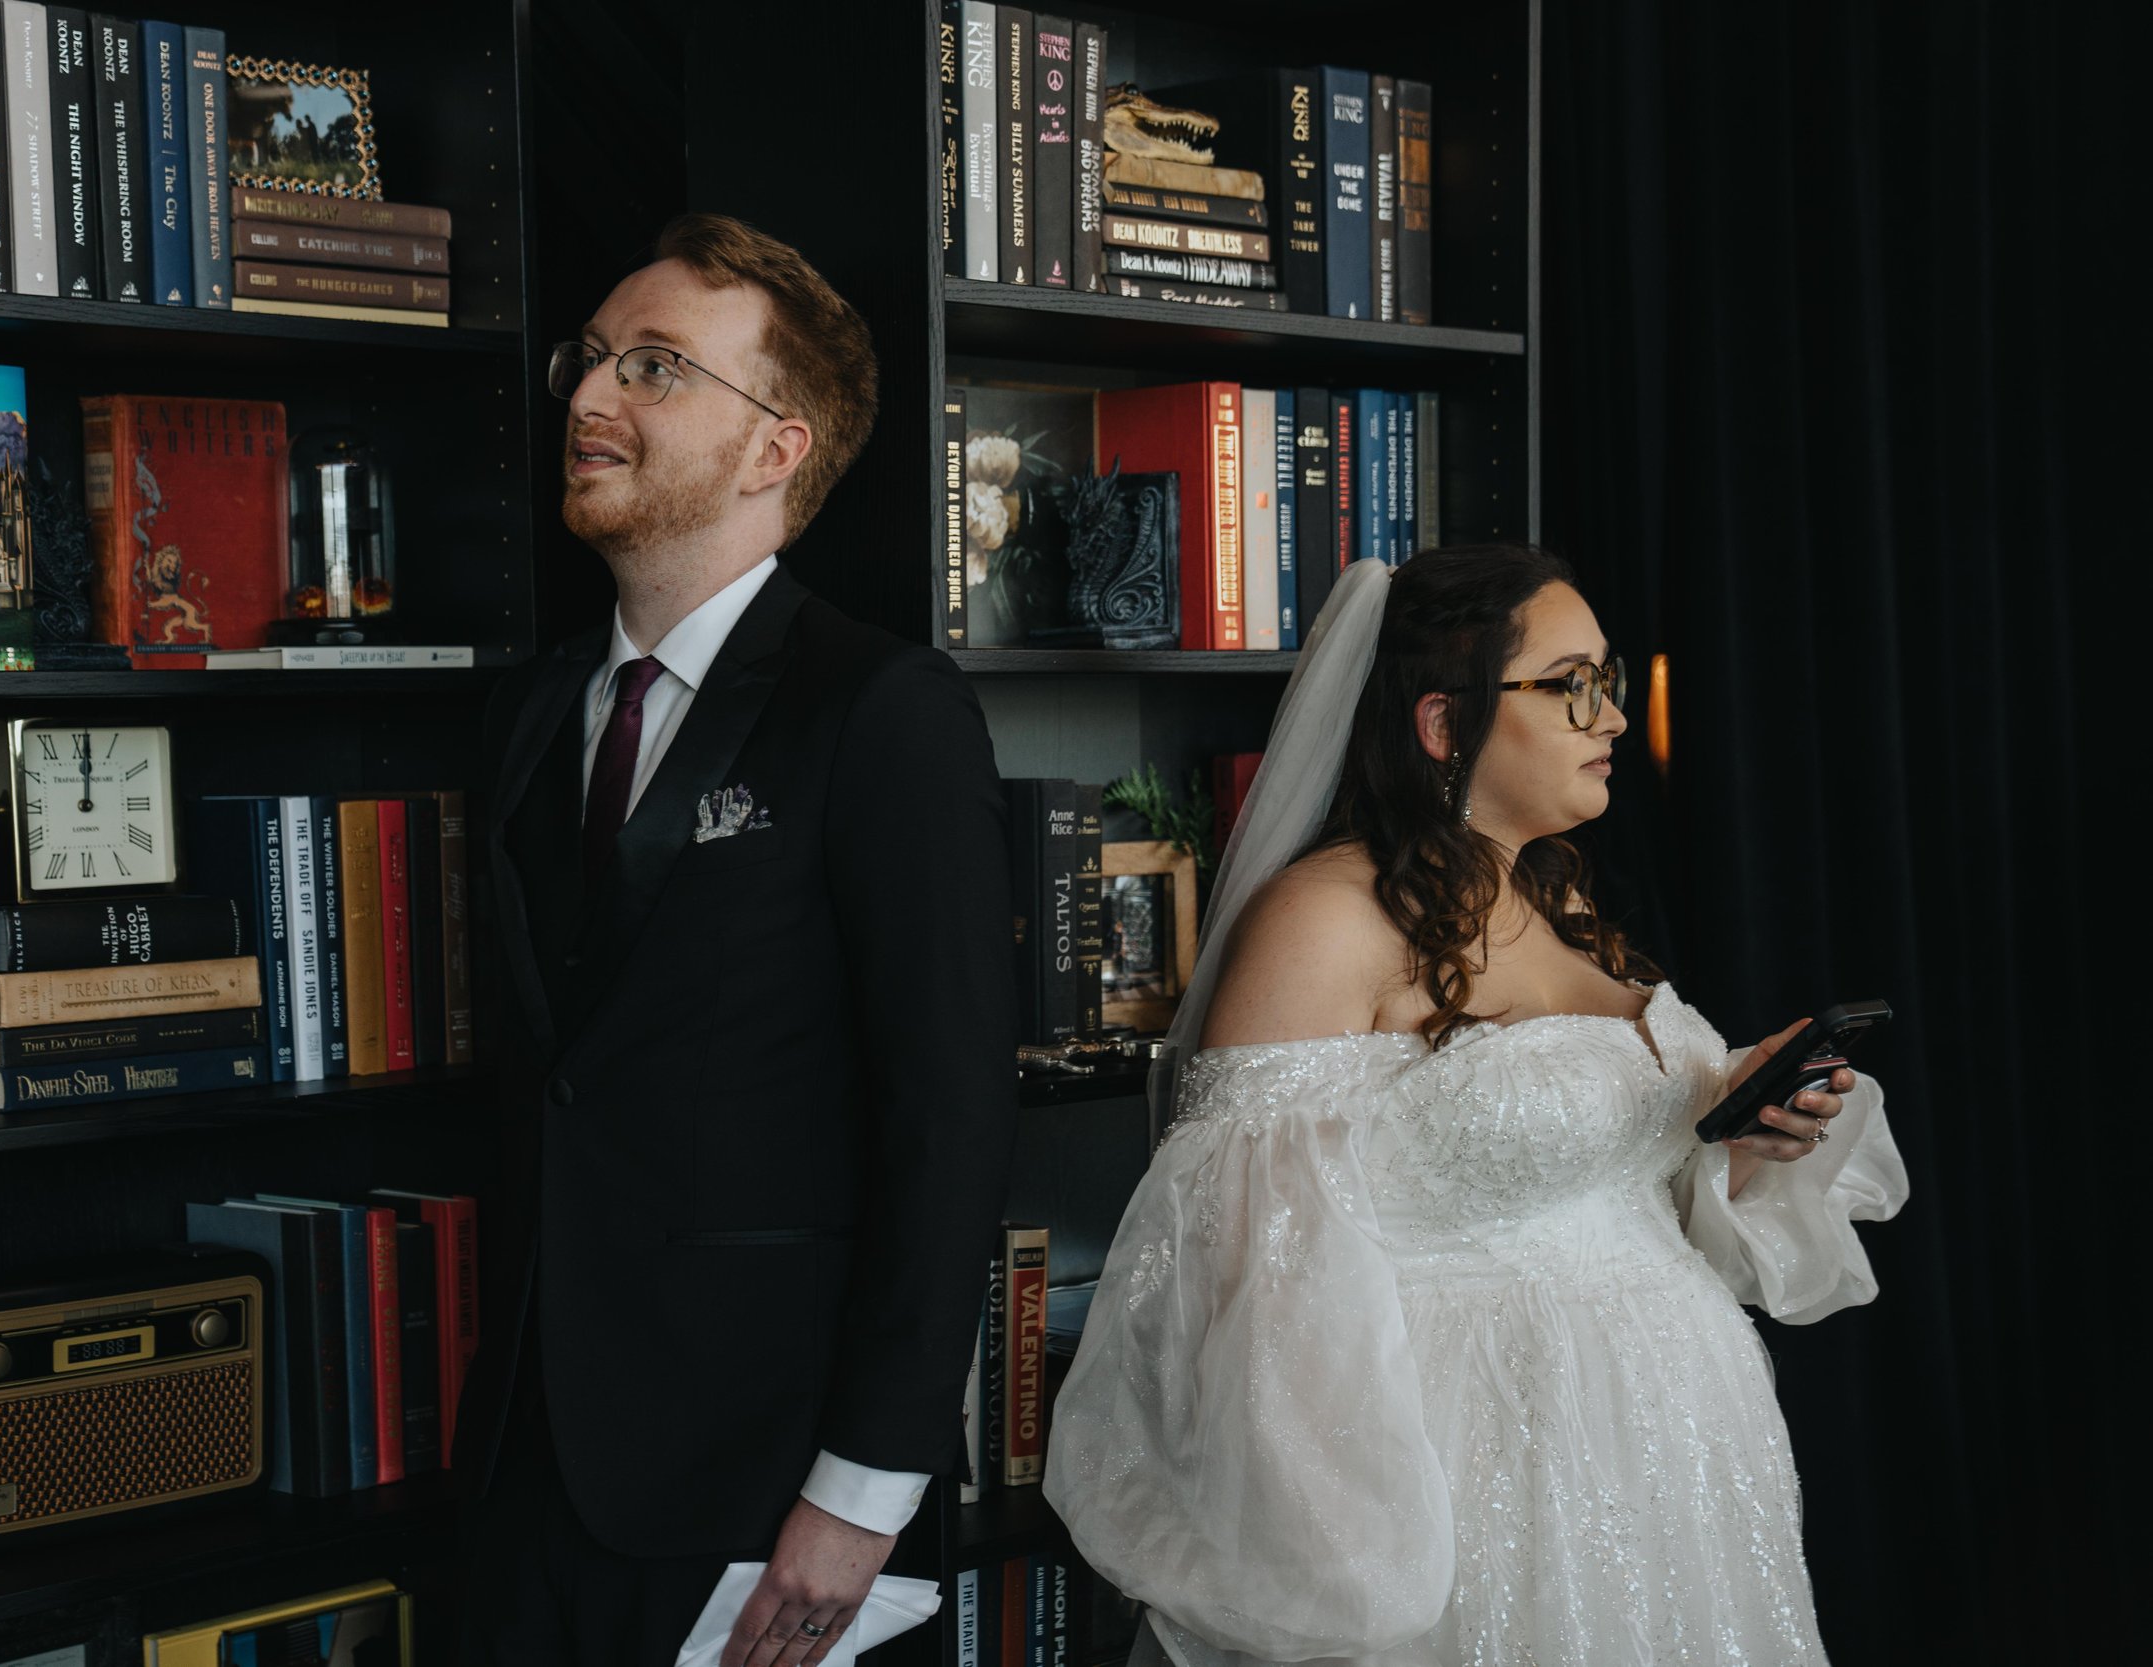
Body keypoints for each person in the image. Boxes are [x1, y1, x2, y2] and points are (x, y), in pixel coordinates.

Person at [1045, 547, 1908, 1666]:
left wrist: (1741, 1135)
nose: (1610, 715)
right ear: (1444, 723)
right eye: (1572, 685)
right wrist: (1347, 1549)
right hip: (1483, 1457)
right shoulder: (1323, 919)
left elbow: (1608, 1193)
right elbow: (1243, 1259)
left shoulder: (1556, 899)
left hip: (1676, 1447)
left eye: (1607, 679)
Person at [460, 213, 1018, 1666]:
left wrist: (861, 1493)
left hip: (767, 1493)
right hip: (526, 1475)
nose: (591, 395)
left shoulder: (884, 711)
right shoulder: (534, 711)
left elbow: (949, 1123)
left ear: (778, 446)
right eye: (592, 357)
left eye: (653, 366)